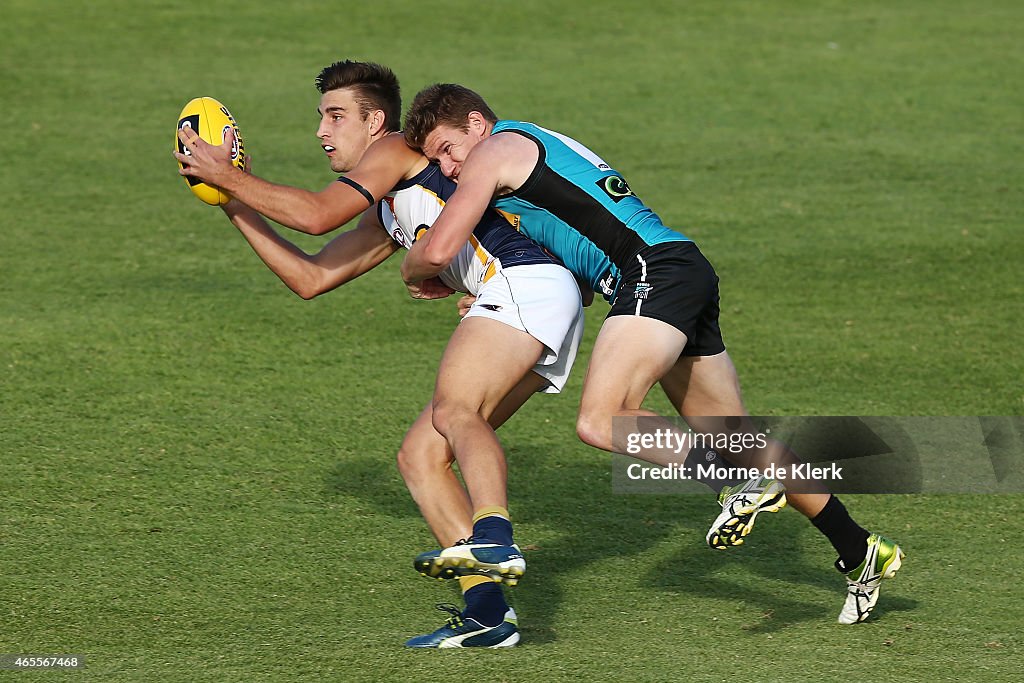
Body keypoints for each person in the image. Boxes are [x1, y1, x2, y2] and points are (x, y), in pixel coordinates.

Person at [399, 83, 904, 625]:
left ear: (476, 123)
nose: (448, 168)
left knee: (603, 419)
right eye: (437, 161)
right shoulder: (528, 150)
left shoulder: (495, 151)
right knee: (737, 442)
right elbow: (577, 271)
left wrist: (414, 273)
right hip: (679, 269)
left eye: (448, 150)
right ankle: (860, 550)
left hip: (651, 273)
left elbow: (440, 247)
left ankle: (735, 483)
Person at [174, 61, 586, 646]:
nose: (322, 131)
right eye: (321, 117)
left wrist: (235, 175)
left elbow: (316, 216)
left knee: (456, 412)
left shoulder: (396, 150)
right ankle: (489, 616)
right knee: (421, 457)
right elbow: (311, 277)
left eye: (337, 116)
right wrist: (230, 201)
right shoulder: (392, 207)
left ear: (377, 121)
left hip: (526, 283)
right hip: (533, 297)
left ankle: (494, 535)